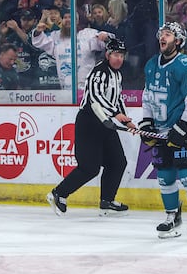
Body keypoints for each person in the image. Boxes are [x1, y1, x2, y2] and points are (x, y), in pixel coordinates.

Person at [140, 22, 187, 241]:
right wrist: (146, 123)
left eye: (168, 35)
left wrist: (182, 127)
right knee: (165, 177)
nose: (163, 37)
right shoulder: (151, 65)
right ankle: (172, 216)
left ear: (178, 41)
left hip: (185, 130)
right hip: (161, 131)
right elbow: (148, 96)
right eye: (161, 34)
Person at [47, 39, 134, 217]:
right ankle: (59, 193)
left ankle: (107, 200)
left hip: (105, 123)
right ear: (108, 54)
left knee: (118, 162)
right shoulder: (98, 72)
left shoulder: (117, 75)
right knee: (89, 167)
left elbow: (117, 98)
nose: (119, 59)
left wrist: (126, 121)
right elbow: (96, 98)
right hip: (89, 123)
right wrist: (117, 114)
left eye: (122, 56)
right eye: (116, 55)